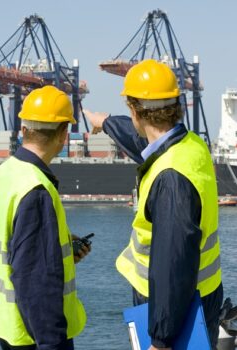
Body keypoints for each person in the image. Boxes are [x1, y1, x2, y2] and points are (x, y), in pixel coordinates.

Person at [84, 59, 223, 349]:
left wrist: (161, 339)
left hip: (174, 309)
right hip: (203, 294)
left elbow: (173, 262)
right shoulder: (192, 146)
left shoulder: (170, 179)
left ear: (134, 110)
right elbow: (142, 144)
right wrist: (107, 123)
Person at [0, 85, 90, 350]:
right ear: (63, 134)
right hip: (33, 334)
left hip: (7, 323)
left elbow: (7, 243)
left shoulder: (3, 174)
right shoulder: (36, 189)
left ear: (23, 130)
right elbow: (36, 280)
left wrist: (57, 251)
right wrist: (51, 344)